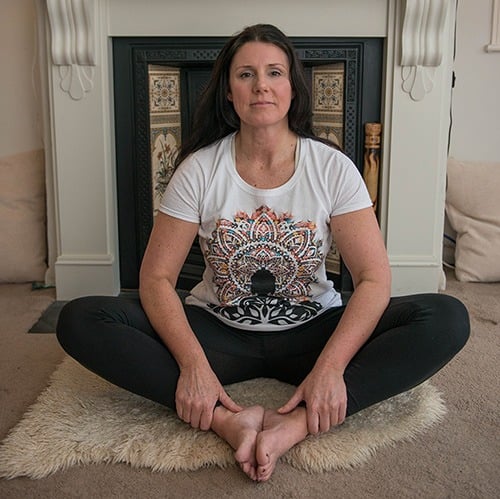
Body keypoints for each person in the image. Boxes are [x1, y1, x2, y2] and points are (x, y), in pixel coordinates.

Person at [56, 24, 470, 482]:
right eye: (246, 75)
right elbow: (155, 279)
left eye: (274, 72)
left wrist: (331, 369)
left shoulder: (332, 168)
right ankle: (226, 420)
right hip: (218, 331)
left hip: (313, 331)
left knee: (446, 317)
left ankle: (293, 425)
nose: (261, 86)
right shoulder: (199, 169)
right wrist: (193, 365)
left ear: (292, 87)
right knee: (80, 319)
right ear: (229, 93)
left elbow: (374, 277)